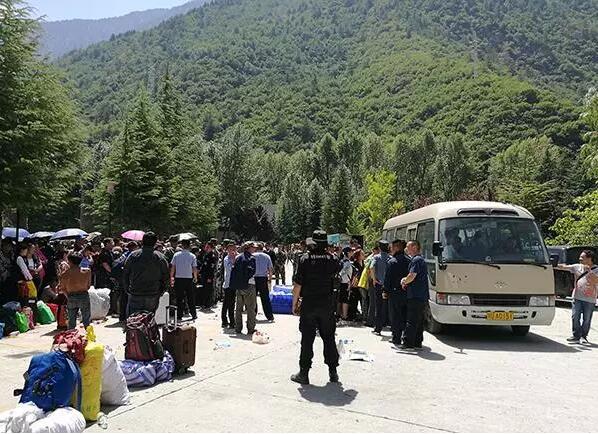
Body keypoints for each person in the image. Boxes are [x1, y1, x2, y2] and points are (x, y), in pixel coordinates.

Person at [291, 230, 341, 385]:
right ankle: (333, 372)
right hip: (327, 304)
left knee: (307, 339)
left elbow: (298, 284)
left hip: (309, 304)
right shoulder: (333, 259)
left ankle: (304, 373)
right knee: (329, 338)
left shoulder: (305, 259)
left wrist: (294, 304)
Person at [123, 232, 169, 316]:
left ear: (142, 241)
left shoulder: (133, 256)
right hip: (153, 292)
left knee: (134, 318)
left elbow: (125, 273)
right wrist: (162, 290)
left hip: (136, 292)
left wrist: (127, 288)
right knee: (149, 317)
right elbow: (166, 276)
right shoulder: (160, 257)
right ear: (155, 243)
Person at [559, 250, 598, 343]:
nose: (580, 259)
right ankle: (576, 336)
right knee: (575, 316)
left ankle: (583, 336)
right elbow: (563, 267)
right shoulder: (577, 267)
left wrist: (589, 271)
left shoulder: (596, 269)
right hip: (577, 297)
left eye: (582, 257)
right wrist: (551, 264)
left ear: (589, 258)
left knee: (586, 319)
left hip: (590, 299)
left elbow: (595, 281)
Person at [400, 240, 429, 349]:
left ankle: (408, 343)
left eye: (408, 247)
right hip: (421, 295)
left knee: (411, 320)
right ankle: (417, 342)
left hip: (415, 295)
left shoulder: (416, 260)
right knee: (419, 320)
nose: (406, 249)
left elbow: (412, 275)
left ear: (414, 247)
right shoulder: (420, 259)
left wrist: (404, 281)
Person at [384, 240, 410, 345]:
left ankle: (396, 337)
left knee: (395, 316)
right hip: (407, 292)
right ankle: (405, 336)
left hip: (394, 293)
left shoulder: (392, 262)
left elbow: (388, 278)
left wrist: (385, 290)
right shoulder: (409, 260)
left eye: (392, 247)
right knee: (405, 315)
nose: (391, 249)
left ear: (396, 248)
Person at [230, 241, 257, 335]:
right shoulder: (251, 258)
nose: (255, 249)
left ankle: (238, 328)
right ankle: (250, 328)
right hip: (249, 285)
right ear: (249, 248)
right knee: (250, 308)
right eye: (253, 247)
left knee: (238, 308)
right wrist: (245, 279)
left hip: (239, 286)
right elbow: (252, 272)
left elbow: (233, 271)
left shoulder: (238, 257)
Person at [59, 253, 92, 330]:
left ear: (70, 261)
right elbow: (88, 286)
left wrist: (68, 296)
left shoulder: (64, 274)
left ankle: (71, 334)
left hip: (71, 296)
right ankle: (88, 334)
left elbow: (63, 289)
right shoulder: (87, 271)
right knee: (86, 320)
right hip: (83, 295)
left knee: (71, 321)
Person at [171, 239, 198, 321]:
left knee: (179, 298)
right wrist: (195, 277)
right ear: (189, 246)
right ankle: (193, 314)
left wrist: (171, 277)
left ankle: (179, 315)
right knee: (191, 297)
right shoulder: (192, 256)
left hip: (178, 278)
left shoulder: (176, 255)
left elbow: (173, 267)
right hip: (189, 278)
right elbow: (194, 268)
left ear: (182, 245)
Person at [370, 240, 391, 335]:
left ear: (379, 248)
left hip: (379, 285)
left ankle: (378, 328)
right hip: (388, 285)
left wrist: (374, 279)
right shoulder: (390, 258)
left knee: (378, 306)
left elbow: (371, 267)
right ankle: (388, 324)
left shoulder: (376, 257)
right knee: (387, 305)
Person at [253, 243, 275, 321]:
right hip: (263, 278)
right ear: (263, 248)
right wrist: (270, 279)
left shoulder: (252, 256)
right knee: (265, 298)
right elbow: (270, 269)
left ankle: (253, 315)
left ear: (256, 248)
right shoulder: (267, 256)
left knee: (253, 298)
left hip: (254, 279)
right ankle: (269, 316)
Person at [221, 242, 237, 329]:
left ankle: (232, 322)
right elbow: (230, 269)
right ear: (227, 250)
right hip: (227, 284)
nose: (232, 251)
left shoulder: (236, 257)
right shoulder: (226, 259)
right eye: (230, 249)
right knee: (226, 304)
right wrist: (234, 259)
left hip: (234, 284)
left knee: (232, 304)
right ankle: (225, 321)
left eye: (233, 249)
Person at [198, 241, 217, 309]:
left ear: (211, 248)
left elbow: (212, 268)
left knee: (208, 290)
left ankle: (208, 304)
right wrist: (200, 273)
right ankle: (204, 303)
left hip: (208, 276)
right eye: (206, 247)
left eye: (207, 247)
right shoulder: (206, 255)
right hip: (204, 275)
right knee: (204, 289)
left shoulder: (212, 256)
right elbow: (204, 265)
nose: (206, 248)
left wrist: (210, 277)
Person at [337, 247, 353, 323]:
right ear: (348, 253)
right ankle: (344, 315)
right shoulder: (347, 262)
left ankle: (339, 314)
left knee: (340, 299)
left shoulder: (341, 261)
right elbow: (343, 272)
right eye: (351, 252)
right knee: (345, 300)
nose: (352, 253)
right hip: (345, 282)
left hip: (340, 283)